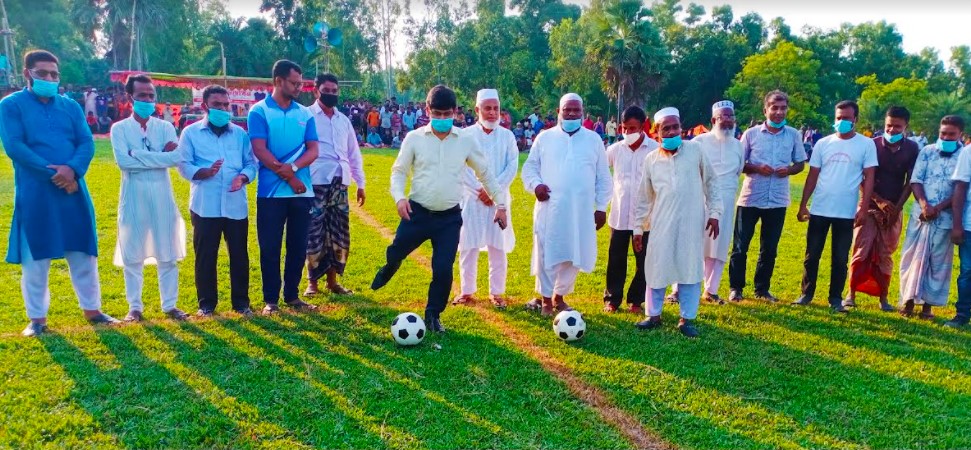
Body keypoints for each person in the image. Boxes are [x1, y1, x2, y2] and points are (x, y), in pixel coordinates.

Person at [0, 50, 119, 336]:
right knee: (36, 256)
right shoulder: (11, 106)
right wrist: (56, 173)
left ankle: (93, 310)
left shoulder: (70, 106)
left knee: (82, 250)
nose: (50, 79)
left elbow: (86, 143)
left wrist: (73, 170)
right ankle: (37, 319)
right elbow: (14, 146)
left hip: (73, 189)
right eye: (43, 74)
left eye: (54, 74)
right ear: (28, 74)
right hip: (36, 191)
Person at [371, 85, 508, 332]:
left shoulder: (465, 140)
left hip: (449, 218)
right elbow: (399, 171)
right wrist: (399, 198)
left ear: (455, 112)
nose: (442, 119)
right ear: (427, 110)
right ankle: (391, 266)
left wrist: (501, 205)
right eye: (437, 113)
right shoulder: (414, 139)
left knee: (443, 269)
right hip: (417, 213)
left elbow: (485, 174)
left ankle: (433, 315)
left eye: (447, 114)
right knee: (396, 250)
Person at [631, 107, 722, 338]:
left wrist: (715, 213)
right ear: (657, 132)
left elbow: (711, 183)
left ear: (681, 127)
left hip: (692, 223)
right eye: (666, 128)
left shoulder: (696, 151)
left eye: (675, 127)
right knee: (656, 266)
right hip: (661, 224)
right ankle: (653, 315)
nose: (672, 132)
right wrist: (638, 229)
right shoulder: (651, 160)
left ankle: (686, 318)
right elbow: (643, 197)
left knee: (690, 268)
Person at [521, 93, 612, 316]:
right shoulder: (544, 138)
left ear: (582, 112)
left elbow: (603, 176)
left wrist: (601, 207)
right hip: (550, 209)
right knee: (546, 252)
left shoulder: (593, 140)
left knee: (574, 254)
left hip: (580, 212)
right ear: (558, 111)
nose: (571, 113)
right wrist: (536, 186)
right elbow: (530, 168)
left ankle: (559, 297)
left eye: (576, 110)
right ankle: (545, 300)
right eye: (567, 110)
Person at [110, 74, 189, 322]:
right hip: (133, 197)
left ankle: (170, 305)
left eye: (151, 95)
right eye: (142, 95)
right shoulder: (119, 129)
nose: (147, 99)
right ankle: (135, 307)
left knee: (168, 253)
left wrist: (139, 154)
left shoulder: (165, 127)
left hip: (163, 197)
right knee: (133, 254)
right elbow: (123, 162)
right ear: (130, 97)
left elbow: (175, 159)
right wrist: (157, 156)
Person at [247, 59, 320, 314]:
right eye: (294, 82)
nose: (299, 87)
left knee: (298, 246)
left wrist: (295, 169)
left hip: (303, 191)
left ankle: (292, 296)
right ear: (278, 81)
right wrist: (290, 177)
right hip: (270, 193)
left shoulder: (305, 113)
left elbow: (313, 150)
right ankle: (271, 300)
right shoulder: (259, 111)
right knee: (270, 246)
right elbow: (259, 149)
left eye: (301, 83)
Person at [177, 85, 256, 317]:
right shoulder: (191, 133)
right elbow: (183, 165)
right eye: (217, 105)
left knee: (239, 255)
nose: (223, 109)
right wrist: (205, 172)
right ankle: (207, 304)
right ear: (205, 107)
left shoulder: (240, 134)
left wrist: (243, 177)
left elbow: (251, 163)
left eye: (226, 105)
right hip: (205, 204)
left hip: (235, 204)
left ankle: (241, 303)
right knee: (206, 255)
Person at [794, 101, 877, 312]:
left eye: (847, 118)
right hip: (820, 209)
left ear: (855, 120)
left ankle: (835, 299)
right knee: (812, 255)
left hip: (846, 211)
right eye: (839, 118)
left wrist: (864, 208)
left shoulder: (866, 145)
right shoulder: (823, 143)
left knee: (840, 258)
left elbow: (869, 178)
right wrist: (803, 205)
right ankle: (806, 294)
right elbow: (812, 176)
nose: (842, 122)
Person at [729, 90, 806, 302]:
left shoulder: (793, 135)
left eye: (783, 108)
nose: (779, 112)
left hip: (778, 200)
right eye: (774, 107)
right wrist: (755, 167)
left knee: (769, 249)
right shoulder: (751, 134)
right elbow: (739, 164)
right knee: (740, 246)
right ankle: (736, 288)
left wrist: (789, 170)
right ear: (766, 110)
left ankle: (762, 289)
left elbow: (800, 163)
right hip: (751, 197)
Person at [845, 106, 919, 311]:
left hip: (894, 208)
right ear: (883, 124)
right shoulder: (872, 145)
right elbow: (861, 177)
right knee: (861, 249)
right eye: (889, 125)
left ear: (906, 126)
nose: (892, 130)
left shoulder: (912, 149)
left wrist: (896, 208)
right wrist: (878, 201)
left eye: (897, 126)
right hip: (868, 206)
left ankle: (883, 298)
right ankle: (850, 294)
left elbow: (911, 181)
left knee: (885, 253)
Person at [671, 101, 744, 304]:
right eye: (723, 117)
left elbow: (738, 172)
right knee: (690, 243)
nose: (728, 120)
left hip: (726, 202)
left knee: (719, 246)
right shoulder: (698, 143)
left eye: (731, 116)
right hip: (698, 199)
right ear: (713, 120)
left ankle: (711, 290)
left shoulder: (739, 145)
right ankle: (677, 290)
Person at [453, 89, 519, 309]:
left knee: (497, 247)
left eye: (496, 108)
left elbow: (512, 166)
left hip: (498, 201)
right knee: (468, 245)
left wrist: (493, 191)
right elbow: (461, 168)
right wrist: (479, 190)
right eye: (487, 108)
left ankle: (497, 292)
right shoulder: (465, 136)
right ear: (477, 110)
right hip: (472, 199)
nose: (492, 113)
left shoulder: (507, 136)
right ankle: (467, 291)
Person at [305, 73, 366, 297]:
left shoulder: (343, 120)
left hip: (340, 182)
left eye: (334, 91)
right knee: (314, 232)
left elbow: (353, 153)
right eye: (326, 90)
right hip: (315, 182)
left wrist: (360, 183)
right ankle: (312, 283)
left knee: (339, 233)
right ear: (316, 91)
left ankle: (333, 281)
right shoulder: (307, 116)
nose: (331, 94)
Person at [898, 116, 963, 320]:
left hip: (946, 218)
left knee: (938, 263)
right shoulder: (927, 151)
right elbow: (916, 180)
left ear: (961, 134)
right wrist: (925, 205)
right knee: (912, 258)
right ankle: (907, 301)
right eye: (943, 133)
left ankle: (927, 307)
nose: (946, 137)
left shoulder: (965, 156)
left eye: (951, 134)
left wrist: (939, 207)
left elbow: (963, 188)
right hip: (921, 216)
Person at [602, 106, 657, 314]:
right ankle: (612, 299)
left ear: (643, 125)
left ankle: (636, 300)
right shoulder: (615, 150)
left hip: (645, 218)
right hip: (619, 215)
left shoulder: (654, 149)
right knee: (616, 258)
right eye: (624, 128)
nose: (628, 133)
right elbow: (599, 169)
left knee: (643, 260)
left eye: (632, 128)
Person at [946, 117, 971, 327]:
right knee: (967, 272)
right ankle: (962, 314)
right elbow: (960, 188)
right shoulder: (968, 152)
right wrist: (957, 225)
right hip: (970, 225)